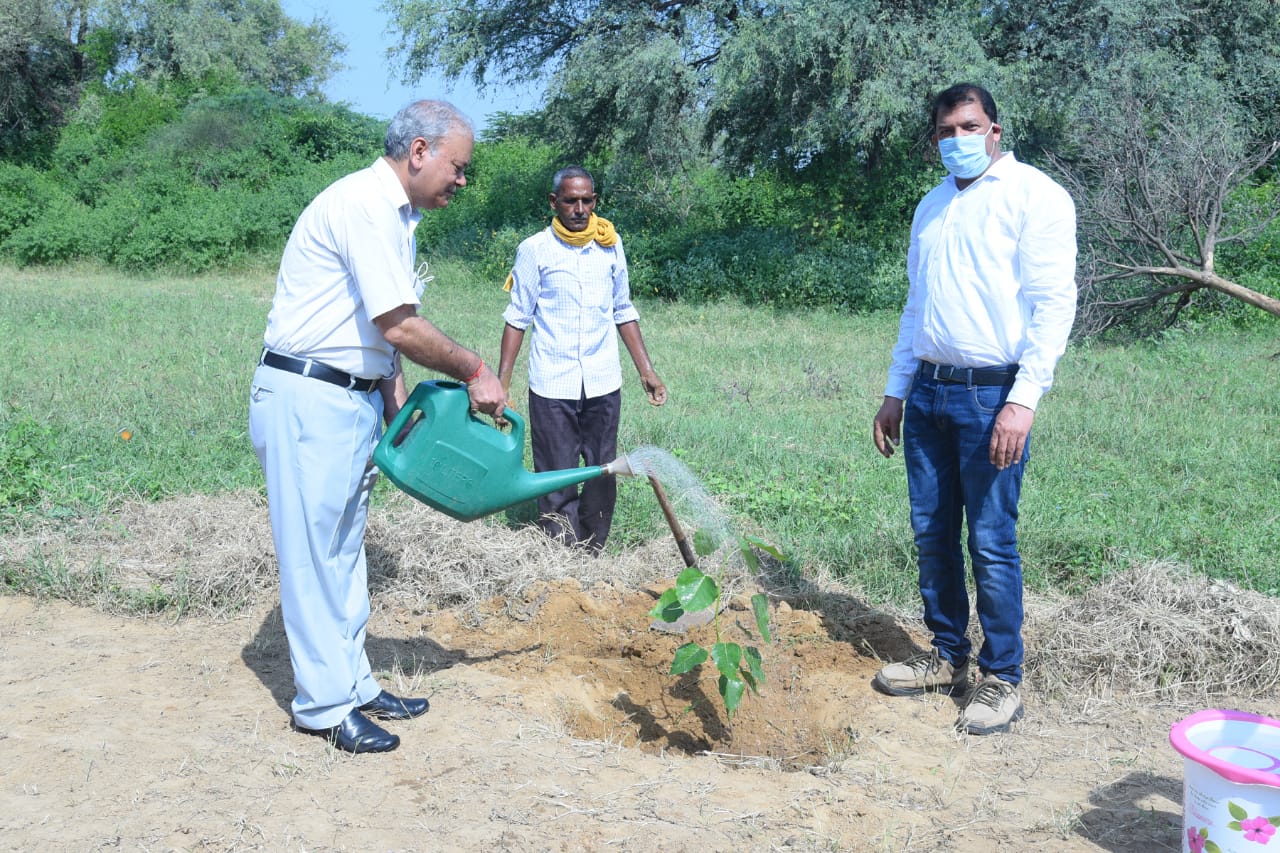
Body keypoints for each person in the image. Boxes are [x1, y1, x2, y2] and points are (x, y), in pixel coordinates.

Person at [249, 100, 507, 754]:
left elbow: (378, 337)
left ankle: (354, 685)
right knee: (315, 557)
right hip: (310, 397)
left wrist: (398, 416)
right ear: (419, 152)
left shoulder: (396, 215)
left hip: (349, 398)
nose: (463, 179)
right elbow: (399, 325)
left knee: (342, 552)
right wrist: (476, 368)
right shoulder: (365, 205)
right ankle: (324, 707)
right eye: (458, 166)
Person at [870, 83, 1077, 735]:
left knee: (990, 538)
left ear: (994, 128)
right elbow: (916, 307)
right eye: (946, 131)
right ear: (935, 140)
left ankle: (1002, 676)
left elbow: (1054, 304)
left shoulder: (1033, 196)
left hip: (994, 393)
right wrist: (896, 389)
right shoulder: (931, 209)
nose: (958, 139)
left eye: (970, 126)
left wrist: (1023, 400)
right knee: (932, 531)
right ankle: (947, 655)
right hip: (929, 390)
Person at [496, 165, 667, 553]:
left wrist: (647, 370)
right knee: (556, 471)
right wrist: (502, 384)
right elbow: (517, 318)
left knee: (602, 469)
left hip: (603, 379)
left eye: (587, 200)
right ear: (553, 203)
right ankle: (561, 554)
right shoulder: (534, 250)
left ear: (595, 202)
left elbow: (623, 309)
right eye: (570, 201)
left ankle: (593, 551)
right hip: (552, 381)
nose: (579, 209)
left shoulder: (610, 245)